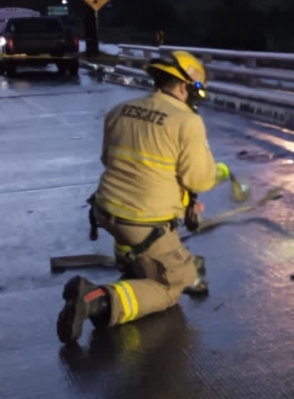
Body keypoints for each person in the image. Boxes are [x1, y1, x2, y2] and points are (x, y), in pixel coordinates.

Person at [57, 50, 232, 345]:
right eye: (194, 89)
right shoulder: (187, 121)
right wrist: (219, 173)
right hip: (145, 224)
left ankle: (131, 265)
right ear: (184, 86)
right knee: (171, 287)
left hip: (104, 210)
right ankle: (97, 298)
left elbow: (109, 160)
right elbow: (198, 178)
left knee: (143, 245)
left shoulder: (120, 110)